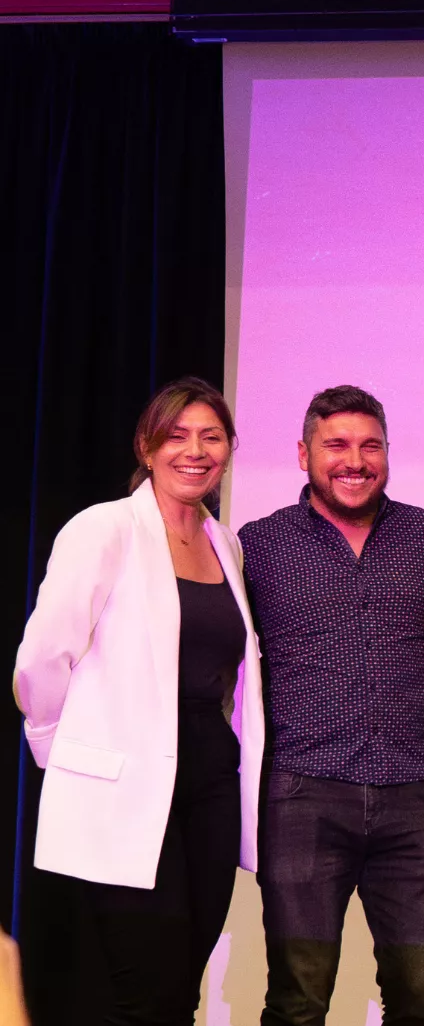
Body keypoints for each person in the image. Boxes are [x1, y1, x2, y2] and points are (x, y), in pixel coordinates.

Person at [15, 377, 264, 1024]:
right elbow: (43, 656)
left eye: (211, 436)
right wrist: (55, 748)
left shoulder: (225, 543)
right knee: (144, 992)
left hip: (209, 781)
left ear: (230, 449)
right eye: (177, 435)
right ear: (146, 447)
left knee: (180, 989)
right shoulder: (104, 529)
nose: (195, 450)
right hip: (124, 786)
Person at [241, 385, 424, 1026]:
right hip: (303, 797)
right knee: (298, 998)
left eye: (370, 446)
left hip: (414, 799)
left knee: (421, 996)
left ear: (388, 453)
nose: (354, 460)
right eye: (336, 445)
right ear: (304, 453)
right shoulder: (258, 545)